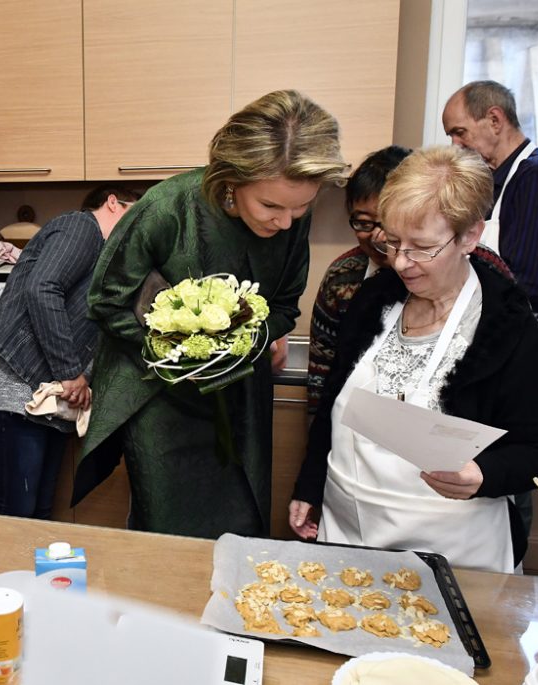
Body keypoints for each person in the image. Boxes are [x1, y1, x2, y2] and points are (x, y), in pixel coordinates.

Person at [75, 90, 348, 538]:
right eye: (271, 206)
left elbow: (283, 308)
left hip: (243, 394)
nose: (286, 223)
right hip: (160, 399)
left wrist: (243, 344)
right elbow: (106, 300)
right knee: (167, 529)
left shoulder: (292, 219)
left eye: (300, 208)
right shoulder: (167, 208)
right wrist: (176, 350)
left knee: (242, 521)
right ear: (230, 179)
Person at [290, 146, 538, 573]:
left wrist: (482, 475)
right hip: (349, 533)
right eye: (392, 241)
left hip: (454, 551)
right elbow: (331, 406)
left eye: (422, 248)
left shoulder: (510, 329)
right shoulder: (371, 300)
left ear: (470, 235)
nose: (400, 262)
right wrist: (309, 486)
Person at [0, 185, 138, 519]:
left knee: (39, 510)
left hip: (47, 398)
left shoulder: (108, 255)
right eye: (139, 212)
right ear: (113, 203)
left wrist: (81, 378)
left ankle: (27, 574)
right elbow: (43, 289)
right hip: (11, 387)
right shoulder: (82, 226)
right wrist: (70, 374)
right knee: (15, 510)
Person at [307, 145, 512, 413]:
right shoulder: (343, 279)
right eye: (365, 223)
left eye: (389, 227)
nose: (380, 240)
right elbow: (322, 379)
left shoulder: (488, 274)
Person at [442, 80, 538, 335]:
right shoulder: (491, 182)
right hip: (486, 327)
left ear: (495, 120)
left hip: (519, 335)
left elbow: (531, 284)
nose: (455, 144)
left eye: (460, 132)